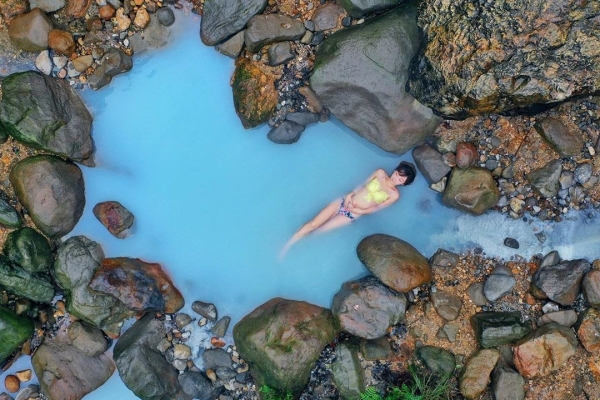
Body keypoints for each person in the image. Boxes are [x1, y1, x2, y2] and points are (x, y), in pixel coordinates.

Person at [280, 161, 416, 257]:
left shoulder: (394, 195)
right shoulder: (380, 173)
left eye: (401, 179)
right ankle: (287, 245)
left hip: (351, 214)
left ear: (404, 184)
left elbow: (376, 208)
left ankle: (300, 246)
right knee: (314, 224)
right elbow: (362, 185)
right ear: (395, 170)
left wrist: (359, 211)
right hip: (343, 201)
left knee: (320, 231)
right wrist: (350, 195)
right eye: (398, 174)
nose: (397, 178)